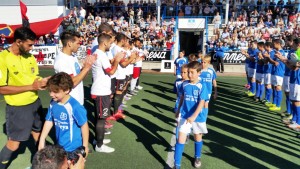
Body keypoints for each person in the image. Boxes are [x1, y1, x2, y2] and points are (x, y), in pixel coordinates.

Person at [0, 27, 49, 169]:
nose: (32, 48)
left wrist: (43, 81)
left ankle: (41, 166)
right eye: (29, 45)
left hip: (35, 103)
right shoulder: (2, 59)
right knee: (14, 144)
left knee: (39, 136)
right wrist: (31, 87)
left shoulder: (29, 57)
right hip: (18, 108)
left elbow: (34, 78)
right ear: (18, 41)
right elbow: (1, 88)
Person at [38, 72, 89, 159]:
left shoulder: (75, 106)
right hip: (59, 147)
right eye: (50, 91)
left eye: (55, 92)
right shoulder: (53, 103)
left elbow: (84, 126)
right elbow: (49, 120)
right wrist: (42, 140)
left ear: (66, 90)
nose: (51, 94)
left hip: (74, 149)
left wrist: (85, 147)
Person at [91, 33, 124, 153]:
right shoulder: (101, 55)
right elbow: (111, 71)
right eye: (110, 43)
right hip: (101, 91)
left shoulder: (98, 53)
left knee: (99, 118)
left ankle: (97, 140)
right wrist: (117, 60)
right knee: (101, 119)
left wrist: (114, 60)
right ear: (104, 43)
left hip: (100, 90)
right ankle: (99, 145)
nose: (111, 45)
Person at [174, 61, 209, 169]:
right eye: (188, 72)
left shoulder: (201, 85)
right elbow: (182, 97)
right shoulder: (184, 84)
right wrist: (178, 109)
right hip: (185, 116)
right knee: (180, 140)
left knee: (197, 138)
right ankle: (177, 165)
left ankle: (197, 157)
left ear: (199, 73)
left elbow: (202, 103)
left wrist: (194, 116)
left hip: (198, 117)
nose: (189, 75)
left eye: (192, 72)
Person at [54, 31, 97, 105]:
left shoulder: (73, 56)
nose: (79, 46)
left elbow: (80, 76)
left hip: (77, 101)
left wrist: (87, 65)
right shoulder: (61, 61)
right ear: (70, 43)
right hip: (69, 104)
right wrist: (86, 68)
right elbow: (72, 82)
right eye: (77, 43)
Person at [265, 39, 286, 111]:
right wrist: (269, 58)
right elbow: (272, 62)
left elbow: (275, 63)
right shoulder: (275, 52)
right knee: (274, 87)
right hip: (274, 72)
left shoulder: (281, 52)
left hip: (278, 72)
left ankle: (278, 105)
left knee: (278, 88)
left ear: (278, 44)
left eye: (274, 44)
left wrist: (268, 58)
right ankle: (274, 103)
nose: (273, 45)